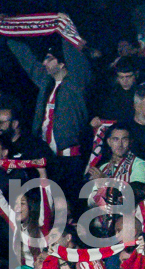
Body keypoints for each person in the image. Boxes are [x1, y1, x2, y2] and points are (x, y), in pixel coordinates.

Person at [4, 25, 92, 211]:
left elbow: (76, 59)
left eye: (49, 59)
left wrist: (64, 31)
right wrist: (7, 32)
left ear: (62, 63)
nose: (44, 63)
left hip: (68, 159)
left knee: (69, 205)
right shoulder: (46, 83)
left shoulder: (75, 84)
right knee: (46, 204)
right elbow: (28, 61)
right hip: (45, 157)